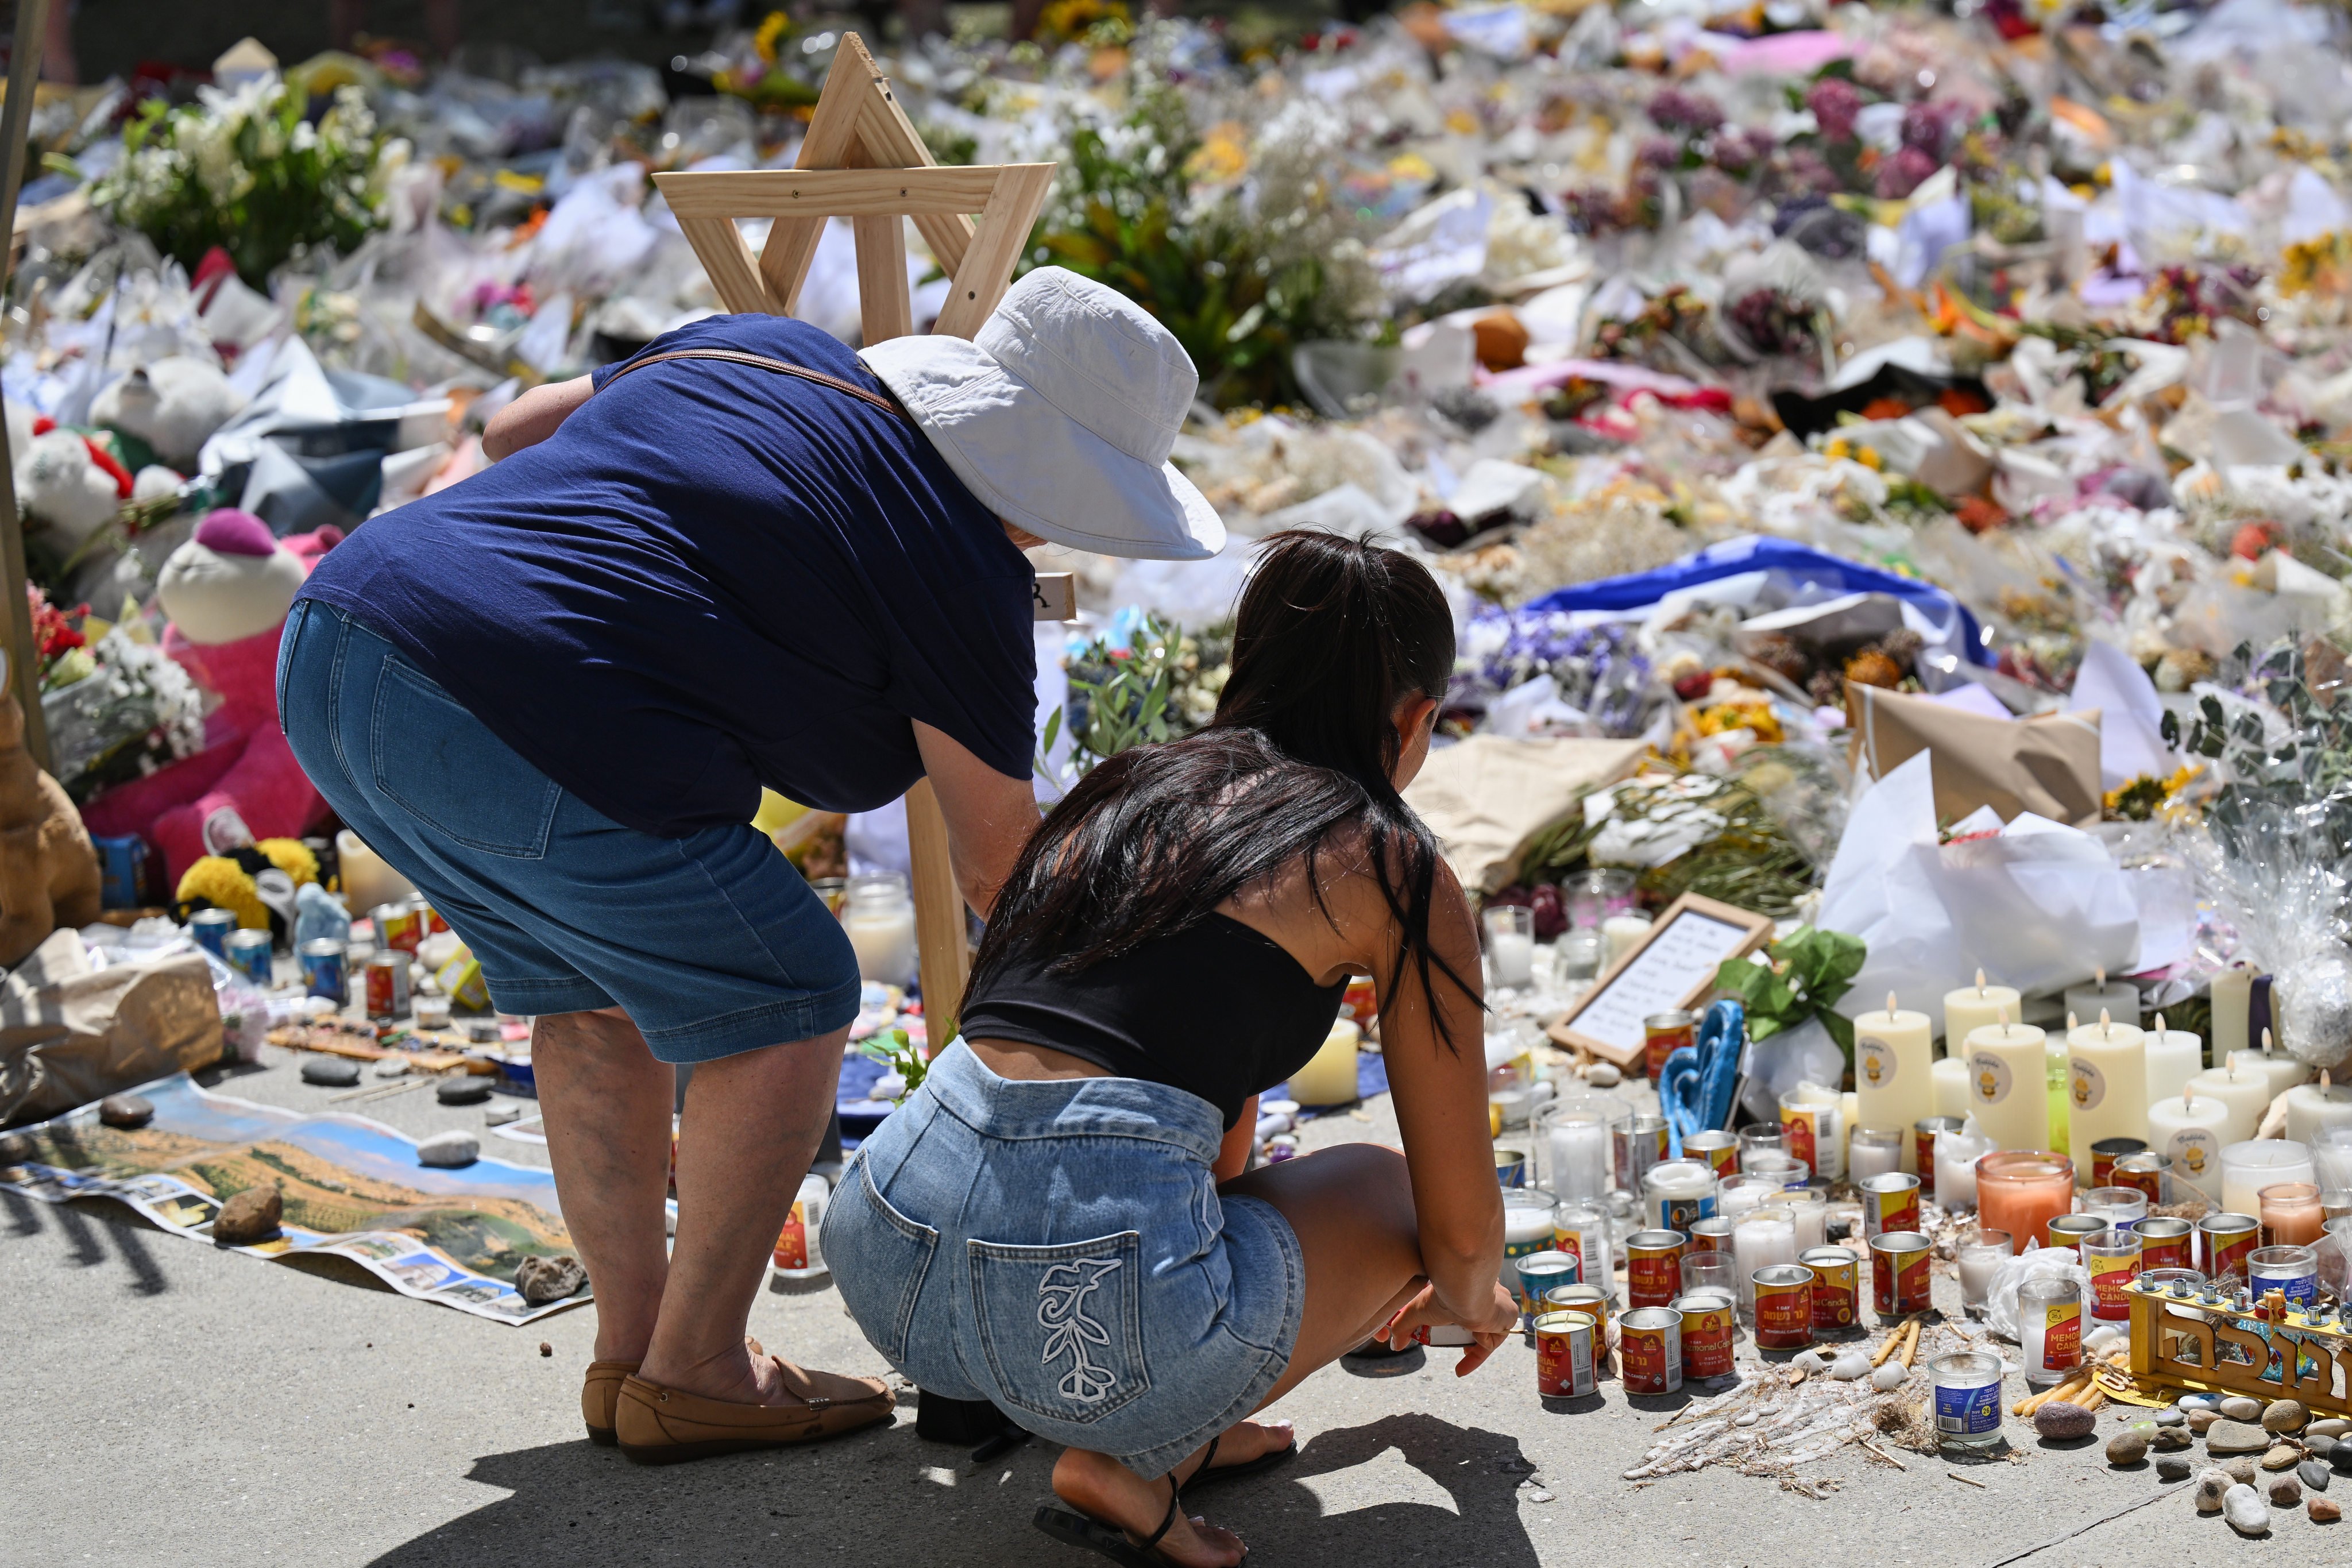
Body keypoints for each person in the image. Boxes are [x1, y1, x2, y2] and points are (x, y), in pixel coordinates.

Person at [278, 266, 1225, 1463]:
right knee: (792, 997)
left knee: (589, 1002)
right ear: (1056, 480)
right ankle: (700, 1370)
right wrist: (1157, 1003)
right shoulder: (962, 566)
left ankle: (633, 1357)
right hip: (514, 707)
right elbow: (999, 869)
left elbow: (516, 424)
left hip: (340, 641)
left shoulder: (762, 351)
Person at [822, 530, 1513, 1567]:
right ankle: (1135, 1459)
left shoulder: (1129, 790)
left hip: (889, 1246)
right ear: (1415, 720)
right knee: (1390, 1187)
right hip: (1092, 1301)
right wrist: (1472, 1298)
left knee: (1177, 1172)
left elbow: (1195, 1108)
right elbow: (1459, 1228)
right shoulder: (1385, 861)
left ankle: (1178, 1416)